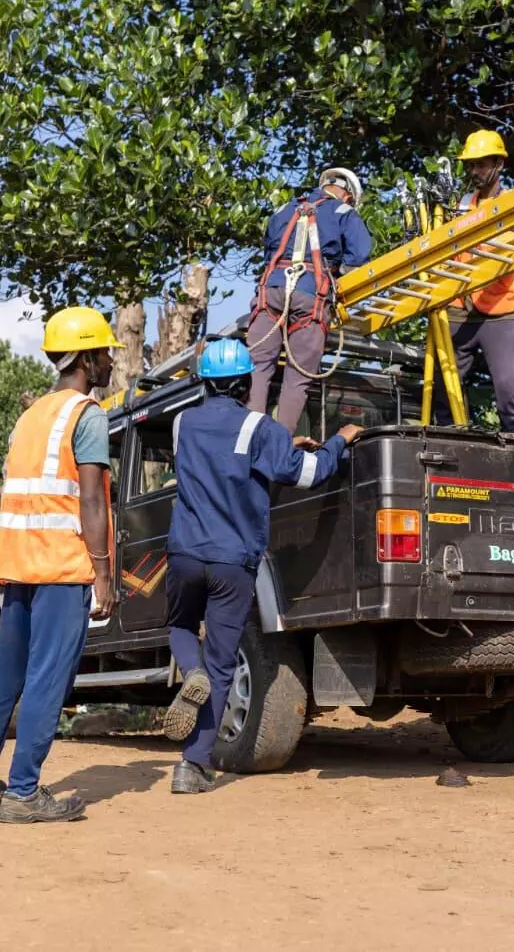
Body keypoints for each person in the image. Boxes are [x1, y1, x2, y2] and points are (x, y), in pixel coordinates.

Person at [162, 338, 359, 794]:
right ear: (248, 381)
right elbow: (309, 474)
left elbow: (215, 461)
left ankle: (189, 670)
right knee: (222, 666)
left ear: (205, 381)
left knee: (178, 627)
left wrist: (279, 448)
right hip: (233, 562)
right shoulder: (262, 429)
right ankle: (190, 766)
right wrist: (338, 441)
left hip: (187, 554)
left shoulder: (181, 423)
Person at [0, 306, 119, 823]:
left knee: (7, 674)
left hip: (19, 565)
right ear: (88, 358)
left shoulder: (30, 418)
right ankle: (23, 792)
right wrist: (104, 573)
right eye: (106, 352)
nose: (111, 360)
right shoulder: (85, 416)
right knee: (49, 677)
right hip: (63, 566)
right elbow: (91, 501)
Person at [247, 168, 373, 434]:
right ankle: (278, 444)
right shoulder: (343, 212)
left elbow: (270, 250)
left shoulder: (283, 210)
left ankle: (249, 438)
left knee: (257, 369)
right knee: (297, 378)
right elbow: (359, 256)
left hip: (269, 292)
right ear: (348, 194)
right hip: (310, 298)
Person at [435, 130, 514, 433]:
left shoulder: (513, 203)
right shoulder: (460, 207)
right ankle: (449, 447)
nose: (474, 172)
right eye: (470, 165)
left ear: (499, 164)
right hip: (460, 311)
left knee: (508, 396)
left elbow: (512, 253)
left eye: (481, 165)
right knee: (443, 393)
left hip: (499, 312)